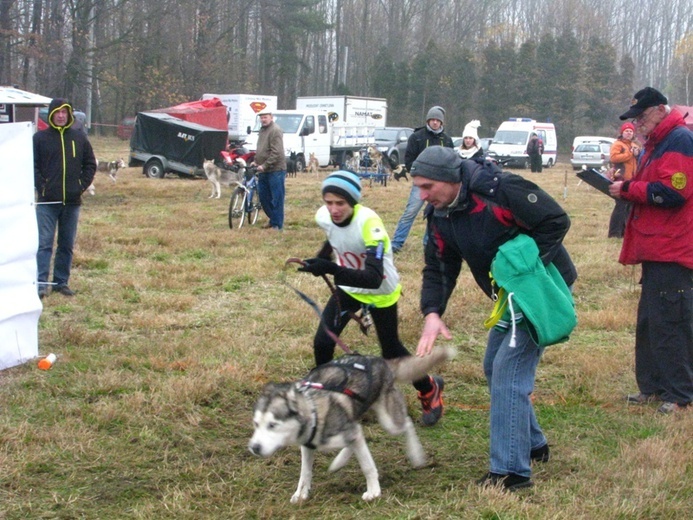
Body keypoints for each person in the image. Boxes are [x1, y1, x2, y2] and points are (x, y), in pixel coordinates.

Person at [412, 146, 578, 490]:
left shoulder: (501, 189)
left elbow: (555, 220)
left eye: (427, 186)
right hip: (508, 295)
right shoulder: (440, 214)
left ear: (450, 179)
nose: (422, 195)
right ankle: (534, 446)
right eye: (418, 187)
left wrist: (527, 267)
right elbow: (440, 266)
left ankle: (510, 473)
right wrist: (432, 312)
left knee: (508, 371)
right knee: (494, 364)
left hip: (538, 291)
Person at [295, 170, 445, 426]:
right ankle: (328, 398)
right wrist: (320, 259)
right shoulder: (324, 216)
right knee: (322, 342)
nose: (333, 209)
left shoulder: (369, 223)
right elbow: (334, 238)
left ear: (353, 202)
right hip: (349, 288)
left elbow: (373, 277)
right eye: (329, 202)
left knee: (391, 351)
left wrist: (330, 268)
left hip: (380, 290)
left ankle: (429, 388)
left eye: (340, 203)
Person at [609, 86, 692, 414]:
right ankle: (653, 387)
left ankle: (680, 394)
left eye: (641, 116)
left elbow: (675, 191)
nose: (638, 123)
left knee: (672, 321)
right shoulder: (658, 142)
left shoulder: (679, 140)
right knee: (650, 322)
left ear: (660, 110)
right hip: (657, 247)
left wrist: (629, 188)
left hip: (673, 248)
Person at [34, 98, 97, 298]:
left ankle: (61, 282)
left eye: (65, 112)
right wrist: (41, 186)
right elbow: (32, 166)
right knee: (44, 243)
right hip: (47, 203)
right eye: (57, 112)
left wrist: (79, 186)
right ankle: (42, 283)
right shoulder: (40, 138)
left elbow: (90, 164)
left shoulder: (79, 138)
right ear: (51, 115)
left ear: (69, 115)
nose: (61, 116)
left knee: (66, 244)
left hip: (71, 203)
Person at [391, 106, 453, 253]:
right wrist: (420, 174)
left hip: (439, 185)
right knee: (410, 212)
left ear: (442, 123)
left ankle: (428, 243)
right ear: (428, 120)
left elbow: (451, 161)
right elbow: (409, 160)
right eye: (433, 120)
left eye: (438, 120)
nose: (435, 123)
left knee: (434, 215)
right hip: (421, 183)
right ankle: (396, 243)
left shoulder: (447, 140)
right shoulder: (417, 137)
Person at [251, 109, 287, 230]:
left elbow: (277, 153)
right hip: (263, 170)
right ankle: (273, 219)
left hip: (276, 170)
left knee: (276, 198)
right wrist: (256, 161)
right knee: (263, 197)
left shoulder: (275, 130)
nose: (263, 119)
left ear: (271, 117)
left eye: (265, 117)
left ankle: (277, 224)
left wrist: (264, 165)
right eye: (261, 117)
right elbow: (261, 148)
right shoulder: (262, 130)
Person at [607, 122, 641, 238]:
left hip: (632, 180)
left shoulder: (635, 145)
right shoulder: (618, 144)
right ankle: (614, 233)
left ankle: (624, 232)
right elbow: (614, 158)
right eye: (626, 131)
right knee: (620, 206)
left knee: (629, 207)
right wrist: (629, 154)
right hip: (620, 178)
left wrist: (637, 154)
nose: (628, 133)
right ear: (622, 132)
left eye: (631, 131)